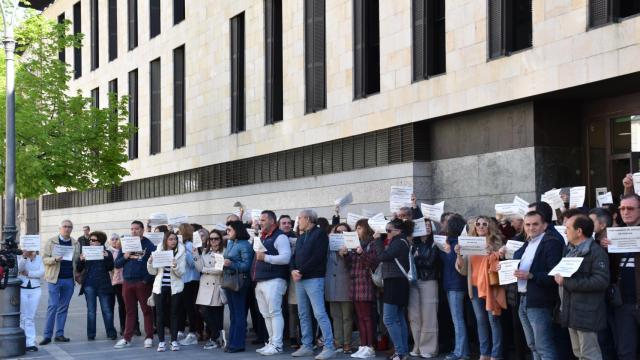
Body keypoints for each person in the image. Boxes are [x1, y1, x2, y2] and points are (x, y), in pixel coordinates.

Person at [554, 211, 609, 360]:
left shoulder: (596, 252)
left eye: (568, 228)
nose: (565, 231)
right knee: (578, 353)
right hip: (572, 312)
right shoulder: (570, 251)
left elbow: (601, 281)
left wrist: (567, 282)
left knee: (589, 355)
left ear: (579, 231)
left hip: (587, 314)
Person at [510, 211, 563, 360]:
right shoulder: (528, 243)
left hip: (539, 301)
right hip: (523, 299)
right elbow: (515, 261)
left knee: (543, 346)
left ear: (544, 225)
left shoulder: (550, 243)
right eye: (527, 224)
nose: (531, 228)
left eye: (535, 224)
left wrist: (531, 275)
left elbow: (554, 275)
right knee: (532, 345)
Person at [455, 215, 505, 360]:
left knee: (493, 321)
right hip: (475, 287)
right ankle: (484, 353)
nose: (481, 226)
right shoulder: (469, 243)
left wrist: (493, 253)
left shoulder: (496, 242)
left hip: (491, 287)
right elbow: (463, 270)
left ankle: (496, 354)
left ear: (490, 227)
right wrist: (458, 255)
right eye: (478, 224)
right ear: (474, 226)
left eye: (484, 224)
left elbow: (502, 263)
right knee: (481, 321)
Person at [290, 209, 336, 360]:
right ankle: (307, 346)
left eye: (300, 218)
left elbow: (318, 257)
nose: (298, 221)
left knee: (319, 313)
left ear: (308, 219)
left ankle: (329, 347)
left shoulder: (320, 234)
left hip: (314, 279)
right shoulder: (302, 236)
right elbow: (294, 256)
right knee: (303, 313)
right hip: (300, 279)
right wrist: (292, 270)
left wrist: (300, 271)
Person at [601, 192, 640, 360]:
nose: (625, 212)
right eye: (622, 208)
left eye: (630, 208)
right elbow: (608, 271)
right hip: (623, 303)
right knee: (626, 351)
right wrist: (605, 249)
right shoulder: (615, 235)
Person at [252, 210, 292, 355]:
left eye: (263, 220)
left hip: (274, 280)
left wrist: (266, 258)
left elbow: (286, 258)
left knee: (274, 312)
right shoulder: (262, 236)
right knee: (266, 314)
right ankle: (271, 342)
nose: (260, 223)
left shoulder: (280, 237)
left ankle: (277, 345)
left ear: (271, 221)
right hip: (261, 280)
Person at [114, 220, 157, 349]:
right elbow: (117, 264)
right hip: (127, 282)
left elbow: (155, 264)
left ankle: (149, 336)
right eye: (132, 229)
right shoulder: (126, 244)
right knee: (130, 311)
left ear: (142, 230)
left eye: (136, 229)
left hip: (142, 283)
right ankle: (127, 338)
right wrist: (125, 256)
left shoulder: (149, 245)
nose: (133, 231)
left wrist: (146, 280)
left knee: (146, 310)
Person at [345, 219, 381, 359]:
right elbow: (350, 265)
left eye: (359, 228)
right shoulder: (356, 244)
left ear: (366, 229)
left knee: (367, 317)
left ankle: (370, 347)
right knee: (360, 318)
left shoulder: (371, 244)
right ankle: (363, 345)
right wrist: (346, 255)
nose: (357, 231)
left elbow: (373, 263)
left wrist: (361, 253)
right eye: (356, 228)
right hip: (355, 284)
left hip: (365, 284)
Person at [40, 219, 81, 345]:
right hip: (54, 279)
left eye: (69, 227)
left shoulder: (75, 243)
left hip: (69, 279)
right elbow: (44, 259)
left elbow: (76, 261)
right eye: (65, 226)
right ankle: (47, 335)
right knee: (52, 306)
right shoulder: (51, 241)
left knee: (63, 307)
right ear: (60, 228)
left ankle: (59, 334)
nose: (67, 229)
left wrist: (81, 259)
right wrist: (55, 259)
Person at [378, 218, 413, 360]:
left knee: (388, 319)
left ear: (398, 231)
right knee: (399, 318)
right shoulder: (400, 241)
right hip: (398, 282)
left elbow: (383, 256)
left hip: (395, 283)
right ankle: (402, 352)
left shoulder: (398, 242)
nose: (387, 233)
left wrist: (377, 241)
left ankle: (400, 352)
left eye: (389, 230)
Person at [147, 232, 186, 352]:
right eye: (170, 239)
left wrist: (175, 266)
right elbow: (153, 272)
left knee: (174, 314)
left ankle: (174, 341)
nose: (173, 241)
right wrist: (150, 262)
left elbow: (181, 273)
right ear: (165, 241)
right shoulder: (158, 252)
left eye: (175, 239)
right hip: (159, 287)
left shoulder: (181, 253)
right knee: (160, 315)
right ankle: (162, 342)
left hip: (175, 288)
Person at [439, 214, 470, 360]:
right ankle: (463, 351)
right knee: (458, 319)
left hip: (455, 285)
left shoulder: (455, 243)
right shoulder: (452, 241)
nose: (444, 225)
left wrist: (447, 251)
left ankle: (460, 353)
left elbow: (454, 264)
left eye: (447, 224)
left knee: (457, 320)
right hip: (453, 284)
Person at [77, 231, 117, 341]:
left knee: (107, 310)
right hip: (89, 284)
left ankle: (111, 332)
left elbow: (110, 267)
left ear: (100, 242)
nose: (91, 242)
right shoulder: (86, 251)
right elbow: (79, 268)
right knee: (91, 310)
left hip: (103, 284)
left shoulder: (107, 252)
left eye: (93, 240)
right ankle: (91, 334)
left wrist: (107, 257)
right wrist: (80, 260)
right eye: (90, 240)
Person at [222, 220, 255, 353]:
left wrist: (231, 264)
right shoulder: (231, 243)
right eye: (227, 230)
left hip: (240, 281)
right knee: (233, 314)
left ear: (237, 231)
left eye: (230, 230)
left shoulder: (244, 245)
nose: (227, 232)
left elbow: (247, 266)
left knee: (239, 314)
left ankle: (237, 344)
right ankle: (232, 343)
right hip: (229, 280)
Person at [409, 219, 440, 359]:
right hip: (414, 282)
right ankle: (417, 345)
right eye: (424, 225)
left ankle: (429, 348)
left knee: (429, 315)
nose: (426, 228)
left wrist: (417, 259)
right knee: (414, 316)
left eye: (429, 226)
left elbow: (431, 262)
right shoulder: (412, 244)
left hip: (429, 280)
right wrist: (419, 259)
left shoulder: (434, 243)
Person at [194, 229, 227, 350]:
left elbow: (219, 270)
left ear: (220, 239)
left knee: (217, 313)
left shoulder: (224, 251)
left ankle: (215, 338)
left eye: (216, 238)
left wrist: (206, 270)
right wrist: (195, 255)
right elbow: (199, 268)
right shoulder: (204, 252)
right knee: (204, 311)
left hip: (217, 285)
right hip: (204, 286)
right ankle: (217, 335)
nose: (213, 241)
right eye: (211, 239)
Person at [327, 223, 354, 354]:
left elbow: (354, 266)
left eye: (343, 232)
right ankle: (338, 341)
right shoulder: (329, 247)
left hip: (346, 285)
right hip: (332, 286)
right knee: (335, 316)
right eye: (338, 232)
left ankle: (347, 343)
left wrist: (346, 254)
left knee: (347, 317)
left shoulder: (352, 246)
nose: (340, 234)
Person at [177, 223, 203, 346]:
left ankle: (193, 333)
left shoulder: (190, 245)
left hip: (191, 280)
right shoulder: (181, 246)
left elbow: (193, 264)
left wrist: (185, 253)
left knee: (191, 308)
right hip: (183, 280)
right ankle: (182, 330)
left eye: (179, 231)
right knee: (182, 307)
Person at [18, 249, 44, 352]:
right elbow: (19, 269)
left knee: (30, 317)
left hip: (35, 289)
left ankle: (30, 343)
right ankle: (21, 341)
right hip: (22, 289)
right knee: (23, 316)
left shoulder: (39, 258)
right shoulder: (21, 258)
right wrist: (24, 257)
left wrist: (28, 273)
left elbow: (41, 272)